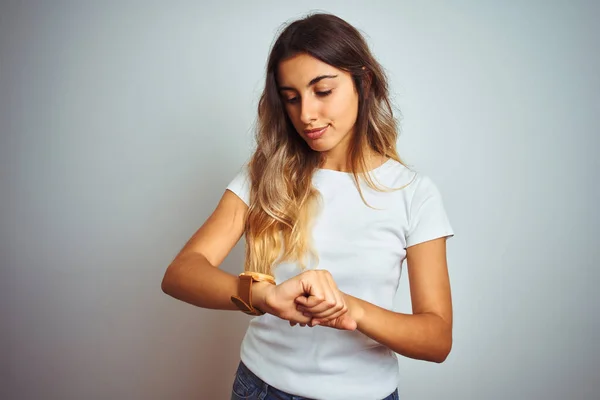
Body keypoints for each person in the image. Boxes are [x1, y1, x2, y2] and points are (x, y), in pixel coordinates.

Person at [161, 12, 454, 400]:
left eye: (323, 91)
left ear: (362, 82)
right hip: (260, 388)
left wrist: (352, 310)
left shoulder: (414, 193)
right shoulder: (263, 176)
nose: (306, 115)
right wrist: (264, 296)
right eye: (292, 98)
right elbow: (180, 273)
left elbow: (436, 340)